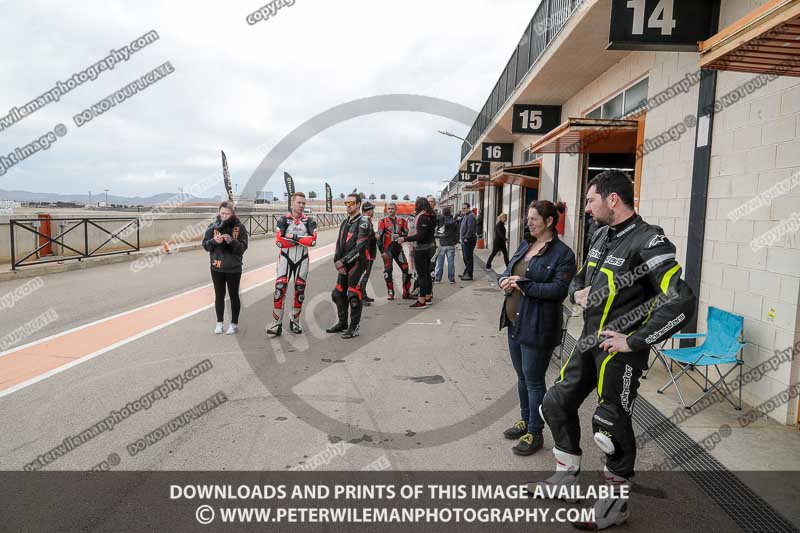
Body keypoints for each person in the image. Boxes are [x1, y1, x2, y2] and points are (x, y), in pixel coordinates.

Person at [535, 170, 696, 530]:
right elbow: (582, 276)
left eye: (591, 200)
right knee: (554, 403)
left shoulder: (649, 240)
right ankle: (566, 477)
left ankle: (615, 505)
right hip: (588, 340)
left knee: (608, 424)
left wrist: (636, 340)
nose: (587, 208)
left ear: (612, 199)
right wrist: (576, 291)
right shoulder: (601, 233)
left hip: (620, 351)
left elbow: (681, 300)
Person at [498, 202, 576, 456]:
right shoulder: (525, 245)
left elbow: (558, 291)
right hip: (514, 322)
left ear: (549, 221)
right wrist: (504, 280)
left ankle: (535, 432)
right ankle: (525, 420)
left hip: (538, 326)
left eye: (534, 219)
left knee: (533, 381)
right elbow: (509, 270)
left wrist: (524, 285)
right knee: (521, 377)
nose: (529, 222)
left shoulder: (563, 254)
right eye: (528, 218)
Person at [266, 192, 317, 337]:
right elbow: (279, 242)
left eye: (303, 203)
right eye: (299, 202)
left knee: (300, 291)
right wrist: (302, 238)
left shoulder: (309, 221)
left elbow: (313, 241)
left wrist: (292, 237)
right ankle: (276, 324)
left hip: (303, 258)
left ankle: (295, 321)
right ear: (292, 203)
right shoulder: (283, 220)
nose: (301, 206)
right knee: (279, 289)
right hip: (285, 258)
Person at [327, 193, 371, 339]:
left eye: (351, 203)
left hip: (358, 263)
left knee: (353, 295)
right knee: (338, 294)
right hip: (343, 264)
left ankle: (354, 327)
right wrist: (336, 260)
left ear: (358, 204)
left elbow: (360, 247)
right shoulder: (345, 222)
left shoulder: (364, 221)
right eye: (346, 203)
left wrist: (343, 261)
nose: (348, 206)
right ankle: (343, 323)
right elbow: (339, 243)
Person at [202, 201, 249, 335]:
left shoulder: (239, 228)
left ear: (233, 214)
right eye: (222, 213)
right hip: (216, 266)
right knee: (219, 295)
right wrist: (213, 241)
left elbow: (243, 247)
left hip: (233, 267)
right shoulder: (213, 226)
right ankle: (219, 323)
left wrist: (231, 241)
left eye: (227, 214)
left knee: (234, 295)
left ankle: (233, 324)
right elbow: (205, 245)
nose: (224, 216)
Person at [397, 197, 436, 308]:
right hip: (429, 247)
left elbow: (420, 236)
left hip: (421, 249)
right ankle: (428, 297)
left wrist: (404, 239)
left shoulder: (422, 217)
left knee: (422, 275)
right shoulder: (431, 215)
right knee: (427, 274)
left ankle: (421, 300)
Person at [377, 202, 412, 300]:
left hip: (398, 249)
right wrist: (382, 252)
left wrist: (400, 236)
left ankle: (406, 292)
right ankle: (390, 292)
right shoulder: (382, 221)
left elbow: (407, 234)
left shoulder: (402, 220)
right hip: (387, 250)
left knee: (406, 270)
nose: (391, 210)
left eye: (392, 208)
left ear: (396, 209)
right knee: (388, 271)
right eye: (389, 209)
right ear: (386, 210)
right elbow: (378, 238)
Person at [359, 202, 378, 306]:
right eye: (372, 210)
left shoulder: (366, 220)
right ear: (368, 210)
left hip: (369, 252)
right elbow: (365, 238)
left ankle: (364, 294)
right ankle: (360, 297)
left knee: (366, 275)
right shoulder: (364, 221)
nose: (373, 212)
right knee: (364, 275)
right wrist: (376, 237)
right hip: (366, 253)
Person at [434, 207, 459, 284]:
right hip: (451, 244)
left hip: (442, 244)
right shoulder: (454, 221)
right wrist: (456, 241)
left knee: (439, 262)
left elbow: (437, 231)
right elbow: (457, 232)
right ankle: (451, 279)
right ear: (450, 212)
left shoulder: (441, 221)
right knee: (451, 262)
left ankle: (438, 278)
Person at [459, 202, 477, 280]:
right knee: (465, 257)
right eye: (462, 208)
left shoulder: (471, 216)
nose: (463, 210)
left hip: (468, 240)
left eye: (465, 208)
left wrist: (466, 237)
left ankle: (469, 274)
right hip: (464, 240)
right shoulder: (466, 215)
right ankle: (466, 272)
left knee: (468, 257)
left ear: (468, 208)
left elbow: (471, 228)